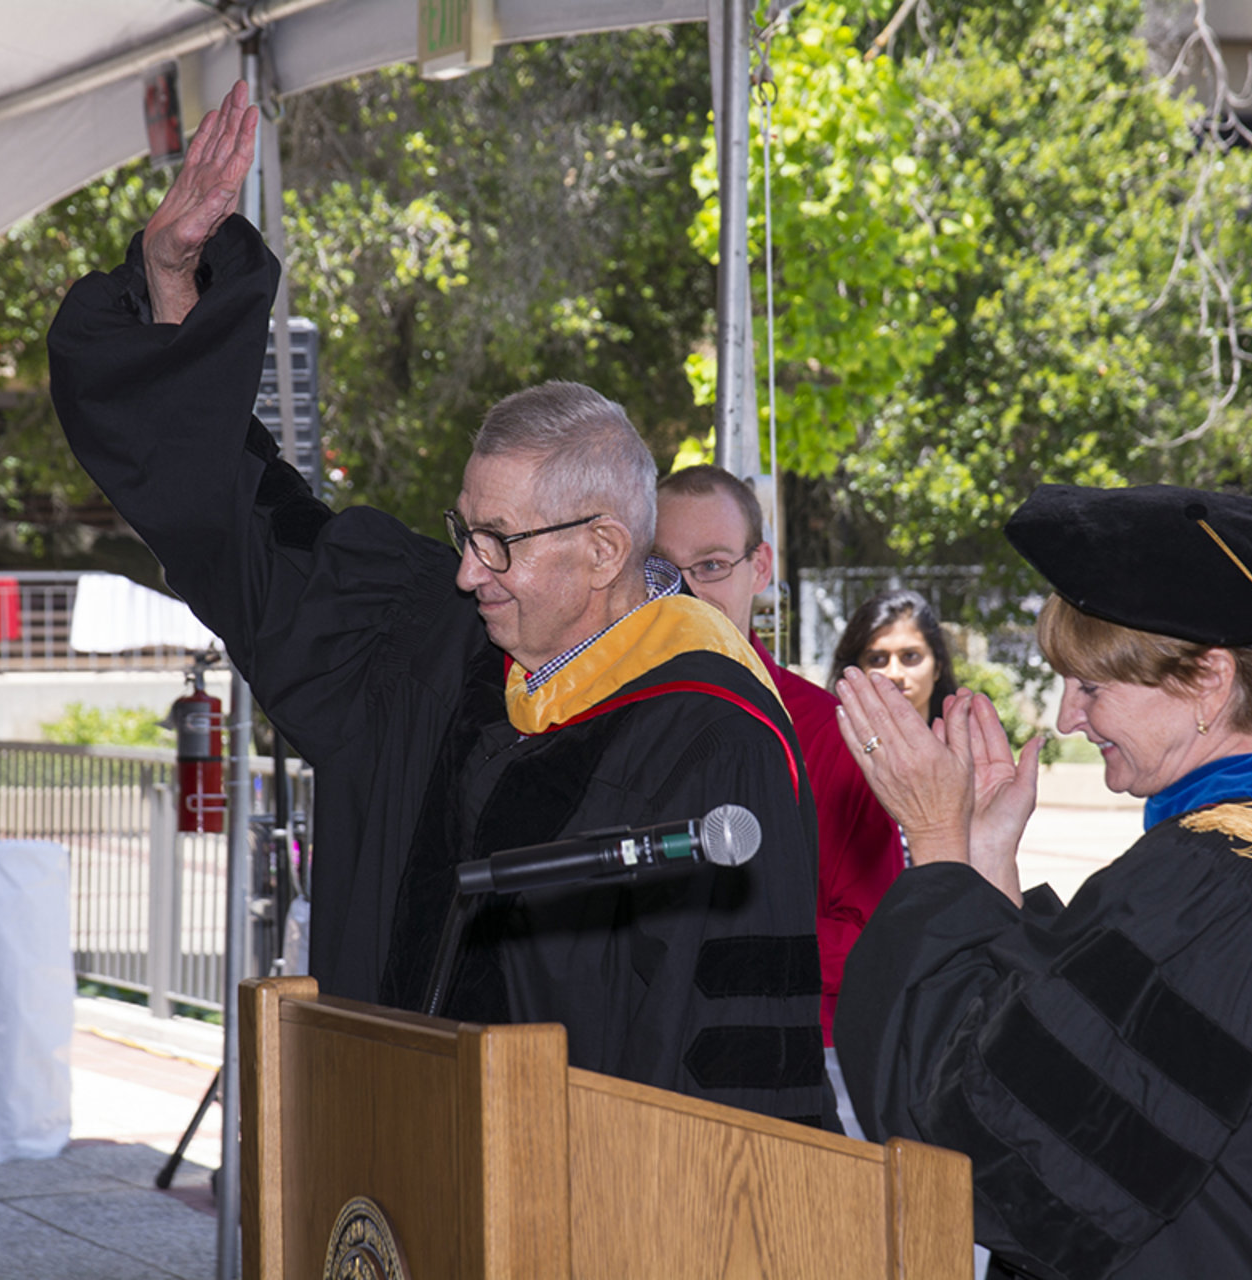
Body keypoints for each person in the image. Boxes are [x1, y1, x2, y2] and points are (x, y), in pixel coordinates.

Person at [48, 82, 824, 1122]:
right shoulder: (435, 641)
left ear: (603, 548)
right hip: (392, 1177)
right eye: (467, 531)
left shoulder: (713, 734)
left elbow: (722, 1075)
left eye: (500, 543)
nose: (468, 569)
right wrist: (173, 277)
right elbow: (241, 518)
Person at [832, 484, 1252, 1279]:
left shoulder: (1211, 887)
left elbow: (994, 1160)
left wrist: (936, 840)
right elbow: (1060, 1052)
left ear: (1207, 681)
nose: (1065, 720)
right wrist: (985, 858)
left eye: (1091, 687)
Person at [655, 464, 898, 1136]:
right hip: (646, 1062)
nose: (684, 593)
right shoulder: (611, 719)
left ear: (759, 567)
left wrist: (698, 948)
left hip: (798, 1062)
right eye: (660, 569)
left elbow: (872, 937)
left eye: (709, 566)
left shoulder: (828, 729)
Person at [831, 588, 957, 726]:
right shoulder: (827, 744)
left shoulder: (969, 743)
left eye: (910, 656)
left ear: (937, 667)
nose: (894, 674)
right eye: (877, 659)